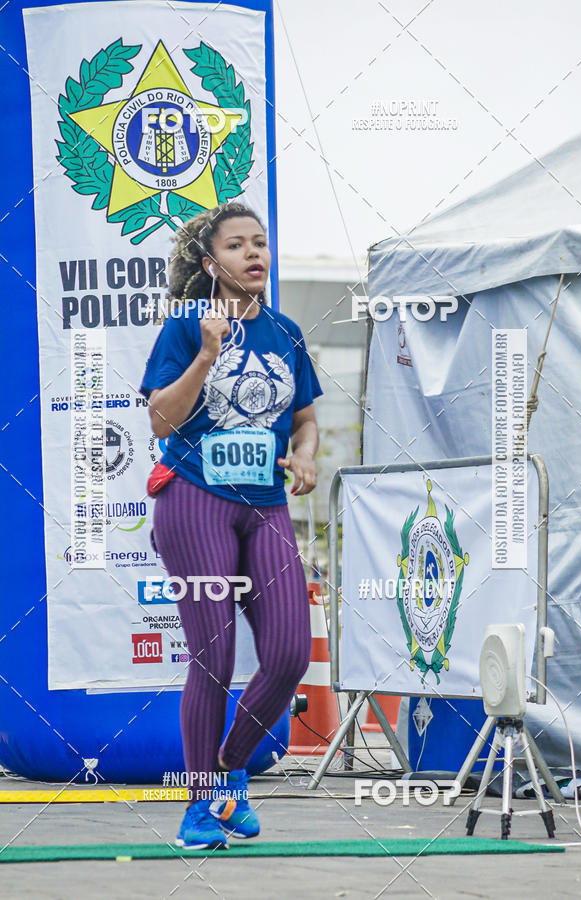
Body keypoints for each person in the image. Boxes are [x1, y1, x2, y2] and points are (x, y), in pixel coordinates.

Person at [139, 201, 323, 850]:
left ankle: (225, 774)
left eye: (261, 243)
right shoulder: (188, 326)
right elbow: (161, 420)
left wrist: (303, 456)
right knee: (213, 659)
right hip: (195, 501)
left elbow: (303, 417)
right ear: (212, 262)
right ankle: (199, 807)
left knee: (287, 654)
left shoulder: (286, 332)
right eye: (239, 245)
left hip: (265, 505)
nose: (254, 254)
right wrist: (208, 356)